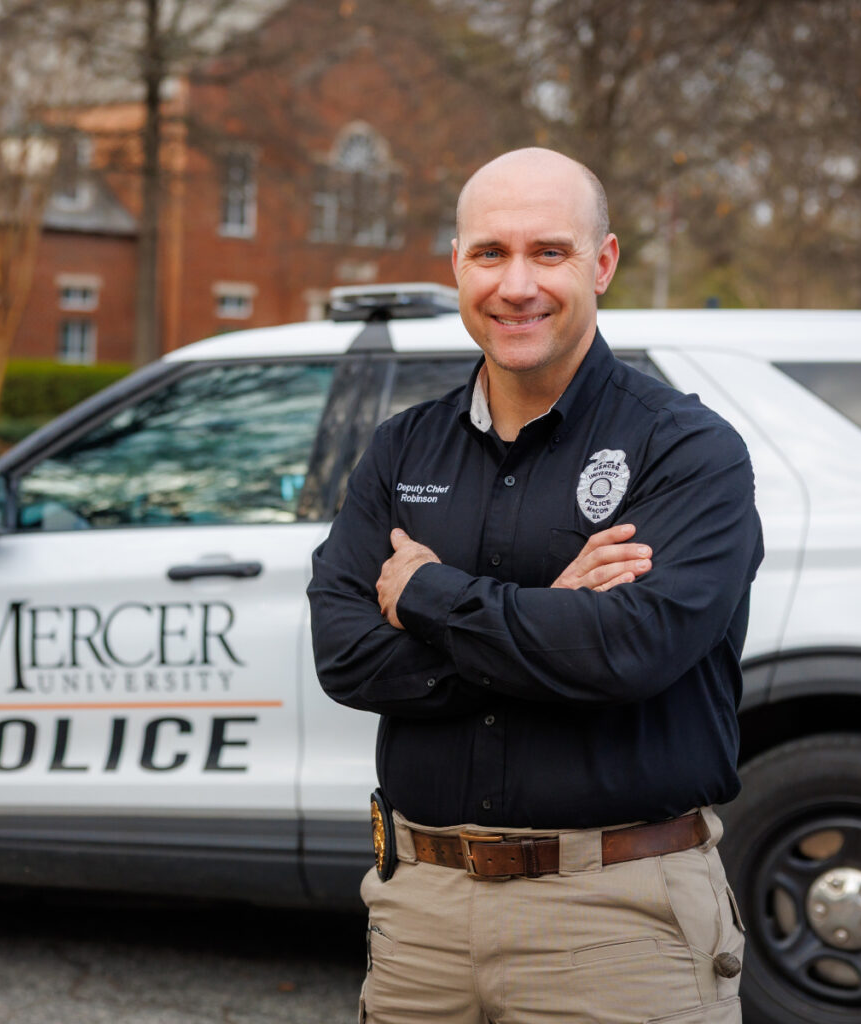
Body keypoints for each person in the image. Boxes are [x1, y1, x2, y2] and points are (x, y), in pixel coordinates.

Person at [306, 147, 762, 1024]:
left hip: (619, 920)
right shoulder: (402, 449)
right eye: (490, 254)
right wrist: (550, 618)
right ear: (457, 266)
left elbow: (630, 651)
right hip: (419, 915)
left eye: (548, 252)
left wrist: (433, 599)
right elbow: (345, 655)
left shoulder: (687, 450)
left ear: (603, 262)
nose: (517, 285)